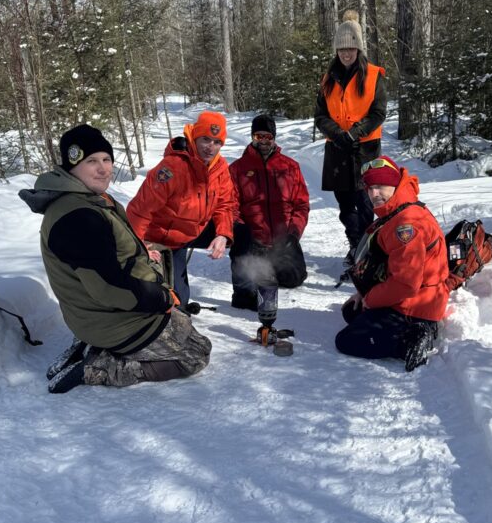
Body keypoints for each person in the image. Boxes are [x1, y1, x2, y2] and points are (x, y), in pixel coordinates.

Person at [19, 124, 211, 393]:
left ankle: (95, 346)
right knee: (197, 353)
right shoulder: (78, 217)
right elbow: (108, 287)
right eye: (91, 161)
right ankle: (99, 368)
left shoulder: (88, 200)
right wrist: (161, 298)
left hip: (109, 314)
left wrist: (143, 254)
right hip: (114, 320)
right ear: (71, 167)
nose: (103, 169)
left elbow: (108, 254)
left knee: (185, 324)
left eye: (106, 159)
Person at [335, 156, 450, 372]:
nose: (374, 194)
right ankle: (405, 327)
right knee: (351, 312)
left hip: (417, 304)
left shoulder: (405, 225)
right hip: (412, 296)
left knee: (346, 341)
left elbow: (406, 284)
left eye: (380, 186)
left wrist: (371, 299)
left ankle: (411, 339)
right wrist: (363, 294)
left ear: (395, 185)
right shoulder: (398, 210)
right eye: (370, 188)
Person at [126, 111, 236, 308]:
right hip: (158, 238)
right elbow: (140, 209)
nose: (210, 147)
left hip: (189, 234)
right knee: (170, 301)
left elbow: (225, 204)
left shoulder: (220, 168)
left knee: (244, 232)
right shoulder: (172, 167)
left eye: (217, 142)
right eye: (205, 139)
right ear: (194, 137)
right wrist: (138, 246)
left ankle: (248, 294)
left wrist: (222, 234)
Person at [314, 10, 387, 265]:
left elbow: (378, 113)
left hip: (365, 149)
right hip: (337, 149)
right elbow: (320, 116)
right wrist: (338, 135)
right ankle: (355, 243)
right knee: (345, 205)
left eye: (351, 48)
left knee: (367, 203)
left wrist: (355, 132)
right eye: (342, 49)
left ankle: (367, 248)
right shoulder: (328, 79)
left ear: (359, 49)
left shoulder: (374, 75)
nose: (346, 53)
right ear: (337, 50)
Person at [229, 114, 309, 337]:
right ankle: (248, 280)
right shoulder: (237, 168)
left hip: (282, 241)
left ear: (274, 137)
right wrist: (242, 231)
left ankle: (272, 268)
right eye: (259, 136)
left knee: (294, 280)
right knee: (246, 297)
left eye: (268, 136)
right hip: (252, 240)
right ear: (252, 137)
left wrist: (293, 234)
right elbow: (230, 206)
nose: (263, 141)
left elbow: (301, 205)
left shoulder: (290, 167)